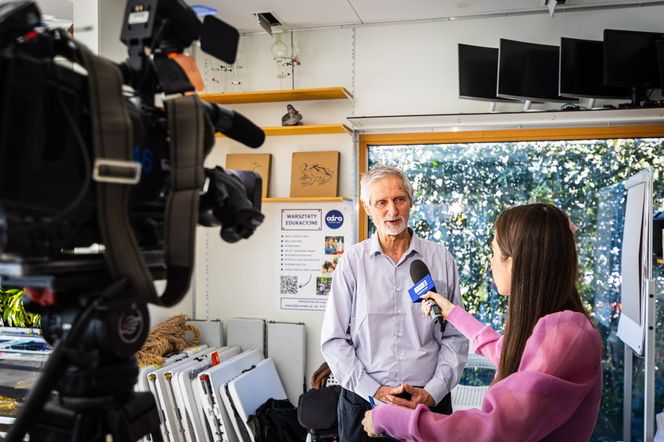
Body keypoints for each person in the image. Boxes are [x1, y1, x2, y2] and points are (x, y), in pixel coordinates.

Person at [362, 203, 603, 442]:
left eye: (493, 252)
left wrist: (392, 418)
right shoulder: (552, 326)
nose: (490, 262)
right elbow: (507, 353)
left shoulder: (567, 336)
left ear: (515, 261)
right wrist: (452, 313)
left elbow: (496, 430)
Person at [321, 165, 469, 442]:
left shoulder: (440, 259)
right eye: (381, 202)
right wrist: (374, 391)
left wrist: (433, 392)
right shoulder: (352, 262)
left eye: (399, 199)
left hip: (428, 402)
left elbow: (456, 336)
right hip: (364, 402)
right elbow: (334, 340)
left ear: (411, 201)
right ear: (367, 208)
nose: (392, 210)